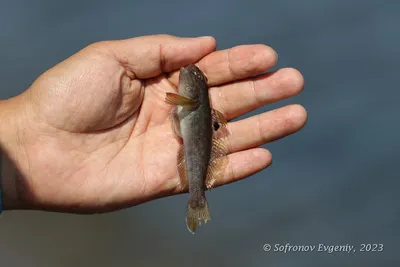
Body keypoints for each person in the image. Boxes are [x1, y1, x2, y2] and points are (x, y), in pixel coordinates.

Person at [0, 35, 307, 214]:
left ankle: (196, 199)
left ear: (194, 92)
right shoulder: (188, 101)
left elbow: (179, 102)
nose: (190, 73)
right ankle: (197, 199)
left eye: (195, 79)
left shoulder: (187, 100)